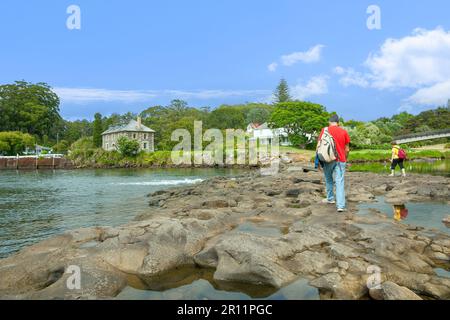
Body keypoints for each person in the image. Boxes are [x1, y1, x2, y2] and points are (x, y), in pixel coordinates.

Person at [318, 114, 351, 213]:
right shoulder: (344, 132)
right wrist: (345, 158)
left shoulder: (324, 130)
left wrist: (318, 161)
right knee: (339, 182)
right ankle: (340, 206)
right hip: (340, 160)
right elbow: (347, 149)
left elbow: (319, 146)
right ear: (338, 123)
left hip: (328, 159)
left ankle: (330, 199)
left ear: (329, 122)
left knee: (328, 179)